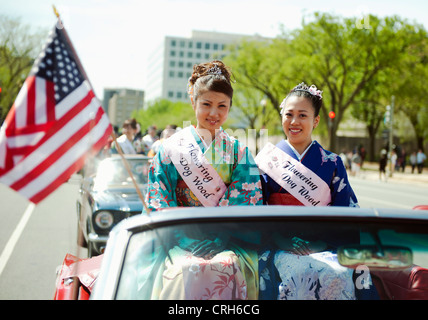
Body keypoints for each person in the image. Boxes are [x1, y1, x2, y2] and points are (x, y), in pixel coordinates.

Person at [144, 60, 263, 300]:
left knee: (226, 266)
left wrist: (218, 239)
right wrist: (184, 238)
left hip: (226, 242)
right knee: (182, 270)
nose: (214, 113)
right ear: (193, 102)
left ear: (230, 107)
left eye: (222, 106)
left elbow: (247, 199)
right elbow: (158, 199)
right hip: (177, 239)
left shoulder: (239, 152)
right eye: (206, 104)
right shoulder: (170, 149)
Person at [256, 82, 365, 300]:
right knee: (294, 274)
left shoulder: (333, 163)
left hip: (323, 244)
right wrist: (280, 239)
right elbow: (256, 209)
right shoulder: (265, 161)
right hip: (278, 243)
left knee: (341, 272)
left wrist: (320, 242)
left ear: (315, 121)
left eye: (302, 115)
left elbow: (345, 213)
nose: (294, 122)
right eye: (289, 114)